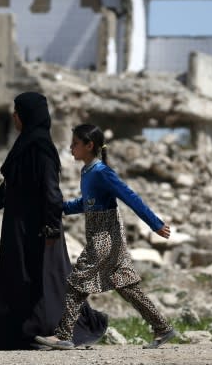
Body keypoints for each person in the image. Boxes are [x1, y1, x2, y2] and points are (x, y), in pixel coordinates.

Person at [0, 93, 108, 350]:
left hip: (41, 227)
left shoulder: (41, 148)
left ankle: (53, 332)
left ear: (27, 115)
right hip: (18, 227)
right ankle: (21, 333)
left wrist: (52, 225)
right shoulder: (23, 146)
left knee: (47, 280)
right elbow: (8, 188)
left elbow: (51, 190)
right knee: (19, 278)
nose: (14, 116)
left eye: (17, 111)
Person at [35, 123, 177, 350]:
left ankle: (63, 335)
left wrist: (155, 224)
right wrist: (60, 207)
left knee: (77, 281)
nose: (71, 148)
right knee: (125, 284)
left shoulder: (102, 172)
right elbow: (87, 203)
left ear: (89, 145)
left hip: (105, 235)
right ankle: (162, 327)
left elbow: (130, 197)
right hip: (102, 233)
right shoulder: (87, 172)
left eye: (75, 144)